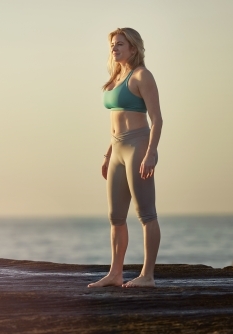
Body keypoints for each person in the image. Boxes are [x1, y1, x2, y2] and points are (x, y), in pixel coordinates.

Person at [88, 28, 163, 288]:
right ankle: (115, 273)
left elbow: (157, 119)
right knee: (116, 216)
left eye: (120, 44)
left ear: (133, 48)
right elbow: (114, 124)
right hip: (117, 149)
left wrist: (151, 152)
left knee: (146, 214)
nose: (114, 48)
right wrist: (108, 154)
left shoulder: (142, 75)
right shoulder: (116, 76)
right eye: (112, 44)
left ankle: (148, 276)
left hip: (138, 146)